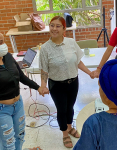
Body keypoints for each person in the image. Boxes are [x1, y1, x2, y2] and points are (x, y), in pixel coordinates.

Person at [0, 30, 48, 150]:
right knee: (8, 143)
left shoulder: (7, 57)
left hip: (17, 105)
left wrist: (38, 87)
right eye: (1, 42)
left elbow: (21, 76)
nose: (5, 45)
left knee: (20, 137)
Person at [39, 16, 93, 148]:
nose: (54, 28)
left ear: (64, 29)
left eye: (58, 26)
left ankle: (70, 127)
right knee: (61, 110)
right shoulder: (45, 48)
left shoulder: (71, 42)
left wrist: (89, 73)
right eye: (52, 25)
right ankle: (64, 133)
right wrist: (43, 85)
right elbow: (44, 70)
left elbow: (78, 61)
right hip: (57, 85)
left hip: (73, 82)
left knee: (70, 107)